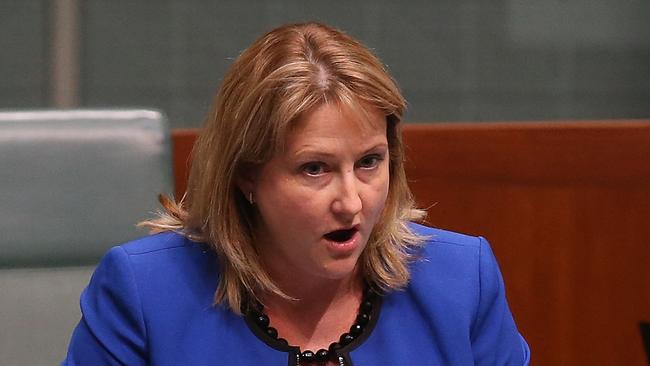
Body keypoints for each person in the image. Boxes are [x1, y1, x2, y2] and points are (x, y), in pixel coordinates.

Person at [61, 22, 530, 365]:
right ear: (246, 175)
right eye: (314, 169)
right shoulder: (145, 292)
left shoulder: (462, 281)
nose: (352, 202)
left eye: (369, 162)